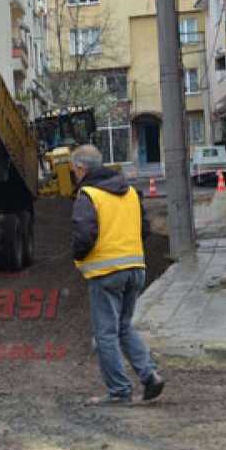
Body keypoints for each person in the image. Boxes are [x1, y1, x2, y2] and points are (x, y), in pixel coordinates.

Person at [70, 144, 165, 405]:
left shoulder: (88, 194)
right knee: (124, 327)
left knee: (105, 334)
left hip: (106, 272)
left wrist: (79, 257)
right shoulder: (130, 191)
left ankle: (119, 391)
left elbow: (83, 234)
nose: (74, 174)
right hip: (135, 268)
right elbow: (145, 229)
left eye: (74, 170)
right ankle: (150, 375)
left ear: (81, 168)